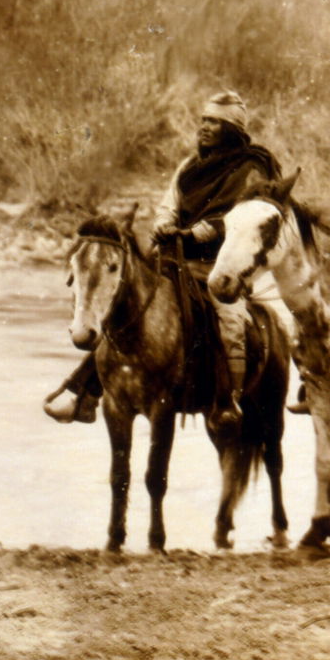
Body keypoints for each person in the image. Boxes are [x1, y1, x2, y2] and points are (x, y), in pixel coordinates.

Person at [43, 90, 281, 428]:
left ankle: (226, 400)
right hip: (173, 257)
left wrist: (198, 233)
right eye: (203, 120)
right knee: (124, 307)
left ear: (232, 129)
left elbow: (245, 213)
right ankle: (86, 395)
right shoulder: (190, 166)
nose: (205, 127)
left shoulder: (252, 167)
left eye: (215, 121)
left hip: (221, 264)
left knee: (230, 321)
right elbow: (169, 203)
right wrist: (165, 225)